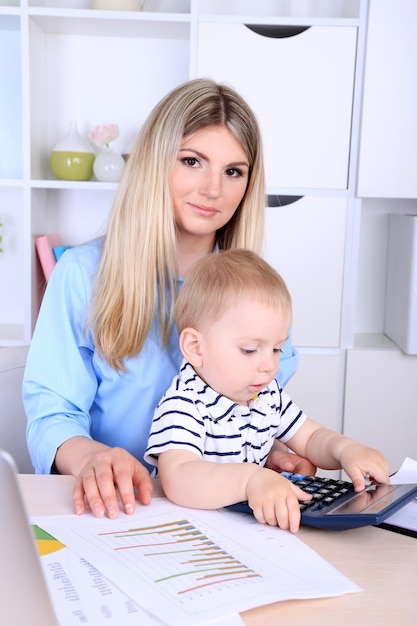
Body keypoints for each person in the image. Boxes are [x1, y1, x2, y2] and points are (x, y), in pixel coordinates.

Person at [23, 78, 314, 519]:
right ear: (155, 163)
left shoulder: (255, 297)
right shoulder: (81, 275)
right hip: (117, 511)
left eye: (233, 171)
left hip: (222, 514)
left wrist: (269, 449)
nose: (213, 188)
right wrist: (89, 459)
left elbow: (250, 409)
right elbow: (52, 412)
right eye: (193, 161)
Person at [145, 249, 390, 533]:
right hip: (185, 529)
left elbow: (309, 436)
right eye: (250, 350)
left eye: (276, 349)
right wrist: (250, 480)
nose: (268, 365)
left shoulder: (265, 395)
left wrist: (346, 449)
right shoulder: (185, 402)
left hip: (246, 530)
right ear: (195, 348)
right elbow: (178, 478)